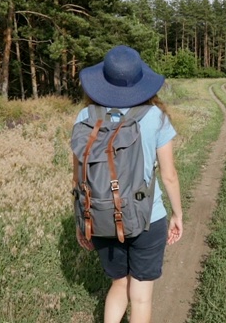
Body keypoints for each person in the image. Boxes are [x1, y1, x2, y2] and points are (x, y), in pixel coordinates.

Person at [72, 45, 183, 323]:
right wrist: (178, 215)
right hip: (149, 218)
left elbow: (78, 175)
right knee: (141, 296)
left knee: (119, 285)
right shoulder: (156, 117)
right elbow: (169, 175)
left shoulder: (85, 118)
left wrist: (81, 221)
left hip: (101, 215)